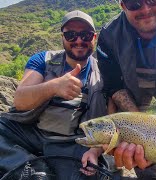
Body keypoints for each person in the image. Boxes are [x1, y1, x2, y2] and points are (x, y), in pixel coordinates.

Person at [0, 10, 106, 179]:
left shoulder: (104, 72)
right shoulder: (42, 59)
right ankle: (33, 169)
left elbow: (112, 122)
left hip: (70, 143)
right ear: (62, 37)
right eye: (71, 35)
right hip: (30, 133)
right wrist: (54, 86)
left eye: (85, 35)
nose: (79, 40)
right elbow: (20, 100)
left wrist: (95, 150)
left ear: (94, 38)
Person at [95, 0, 156, 178]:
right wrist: (141, 127)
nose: (145, 9)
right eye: (133, 3)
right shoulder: (109, 35)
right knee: (138, 149)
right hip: (132, 88)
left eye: (153, 0)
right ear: (122, 6)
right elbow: (113, 85)